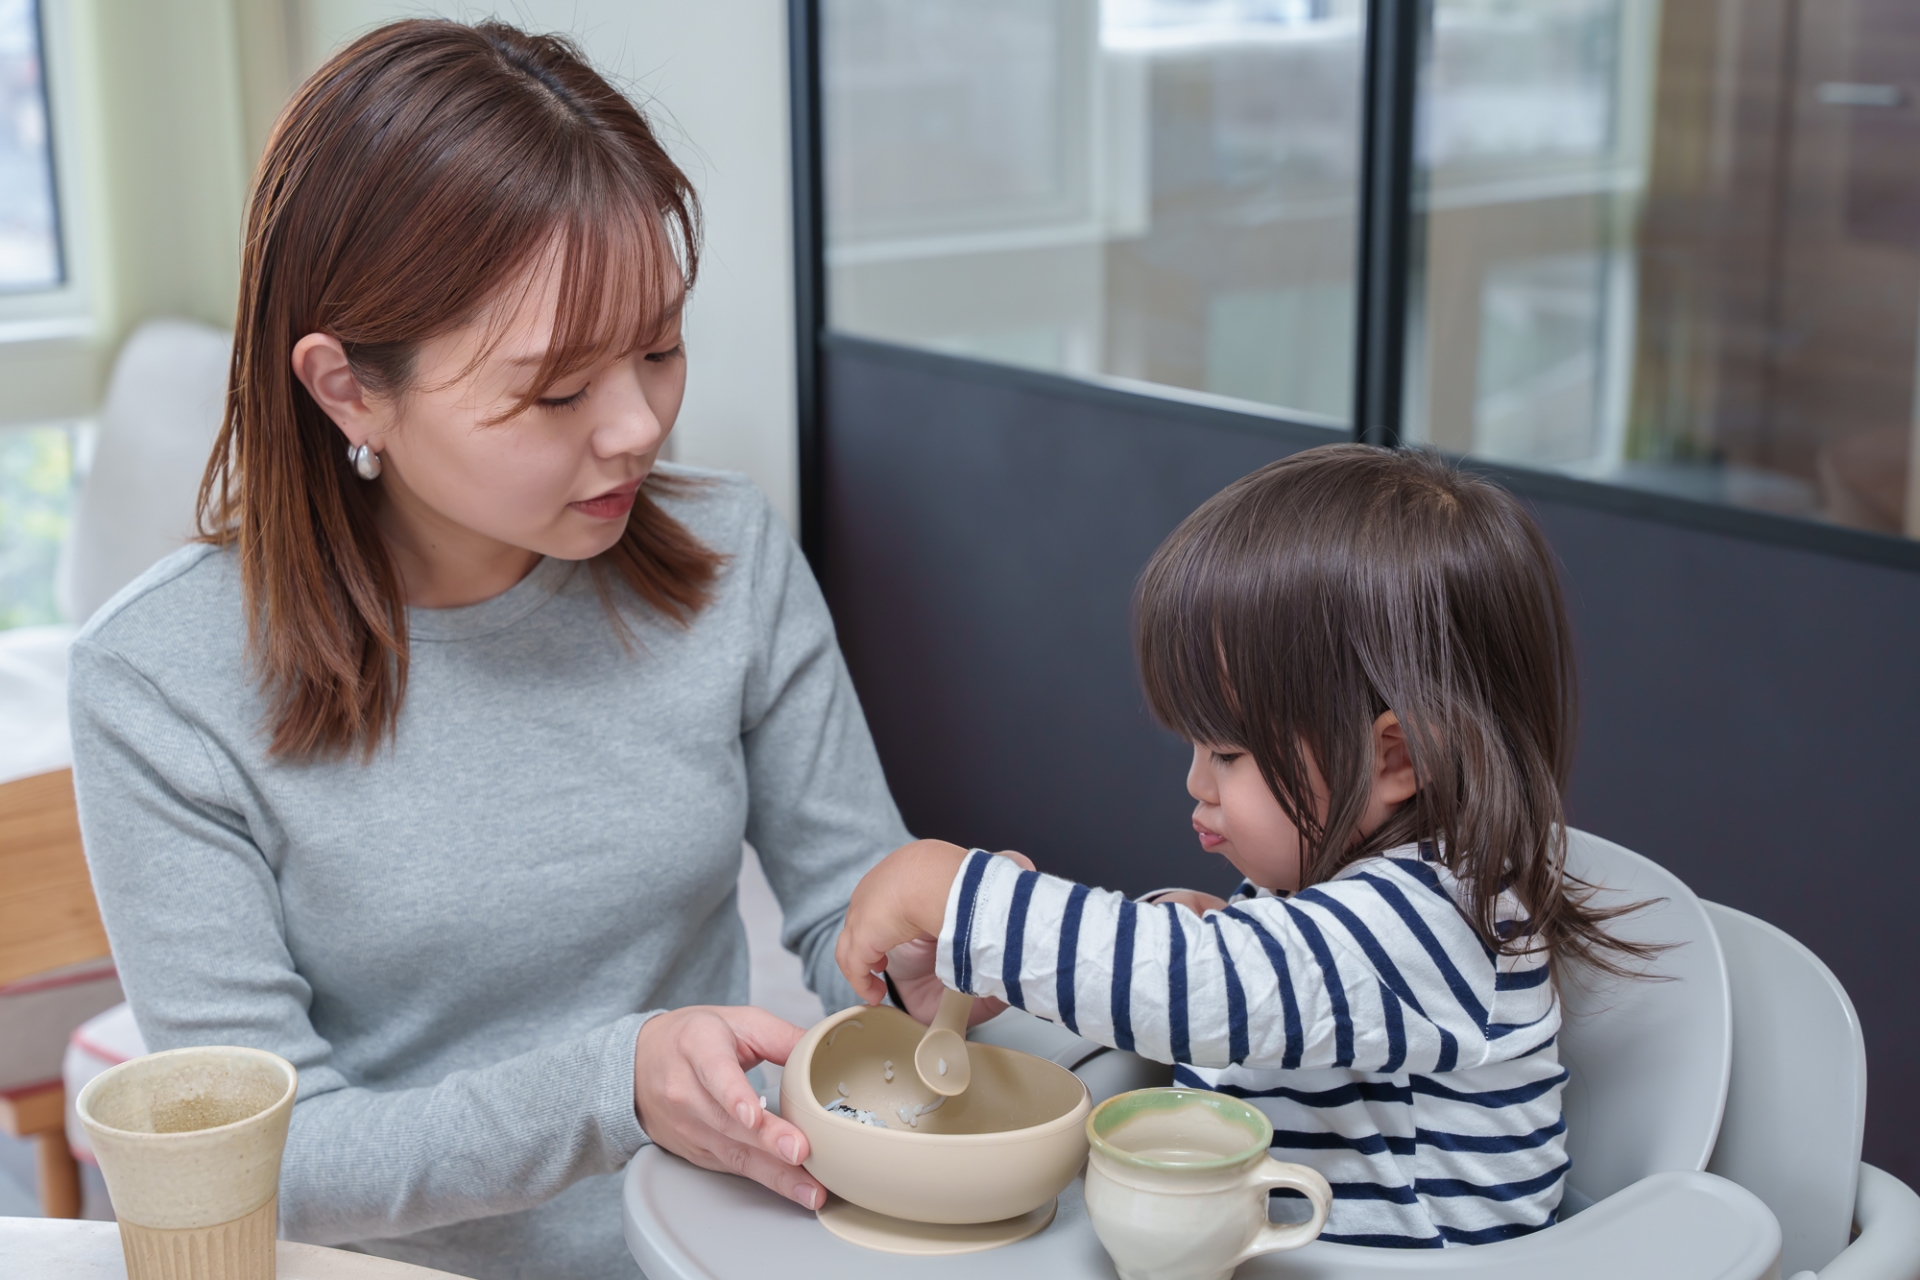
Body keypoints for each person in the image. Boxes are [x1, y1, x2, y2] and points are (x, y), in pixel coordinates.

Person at [67, 20, 972, 1279]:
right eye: (556, 391)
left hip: (718, 1245)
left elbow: (846, 914)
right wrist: (615, 1085)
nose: (637, 425)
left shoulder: (730, 554)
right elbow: (277, 1158)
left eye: (660, 346)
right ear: (347, 389)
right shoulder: (159, 682)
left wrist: (957, 952)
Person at [838, 445, 1656, 1249]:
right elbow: (1249, 975)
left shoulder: (1436, 916)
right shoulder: (1337, 889)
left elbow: (1210, 991)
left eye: (1228, 753)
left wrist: (959, 895)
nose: (1197, 782)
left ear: (1395, 758)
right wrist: (998, 966)